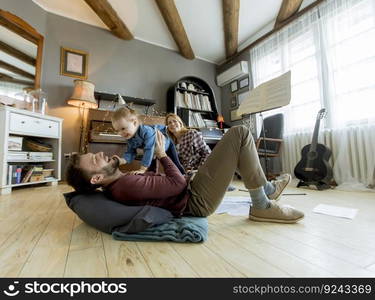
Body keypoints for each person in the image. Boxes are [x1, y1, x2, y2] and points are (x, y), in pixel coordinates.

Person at [66, 125, 304, 223]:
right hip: (195, 199)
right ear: (96, 179)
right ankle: (263, 203)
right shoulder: (125, 186)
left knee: (237, 147)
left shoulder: (122, 182)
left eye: (95, 153)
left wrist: (156, 155)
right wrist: (161, 154)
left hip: (192, 187)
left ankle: (268, 193)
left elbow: (158, 182)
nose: (100, 155)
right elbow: (177, 184)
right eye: (95, 160)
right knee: (240, 133)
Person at [111, 107, 184, 174]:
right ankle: (152, 178)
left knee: (175, 163)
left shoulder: (146, 131)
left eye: (123, 129)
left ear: (135, 123)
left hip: (167, 144)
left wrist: (142, 169)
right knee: (151, 169)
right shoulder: (130, 138)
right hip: (153, 151)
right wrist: (121, 160)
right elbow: (130, 152)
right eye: (117, 131)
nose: (121, 133)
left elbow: (149, 149)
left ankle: (184, 175)